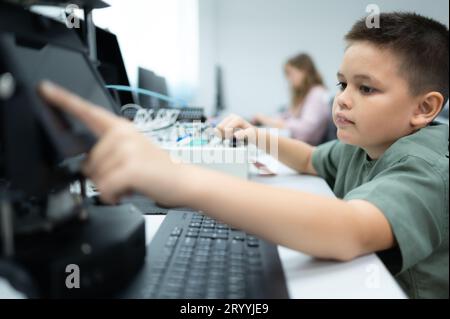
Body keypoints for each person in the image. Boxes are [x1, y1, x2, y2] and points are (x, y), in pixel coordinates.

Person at [38, 12, 448, 298]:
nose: (341, 100)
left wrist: (178, 178)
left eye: (366, 88)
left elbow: (350, 232)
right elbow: (308, 158)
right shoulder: (361, 147)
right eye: (342, 83)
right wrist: (256, 137)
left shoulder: (428, 167)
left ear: (424, 109)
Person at [252, 53, 330, 145]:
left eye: (291, 74)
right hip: (301, 144)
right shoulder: (305, 95)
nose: (289, 79)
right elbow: (288, 115)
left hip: (309, 147)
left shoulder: (317, 93)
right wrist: (270, 120)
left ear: (303, 72)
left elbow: (306, 129)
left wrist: (273, 122)